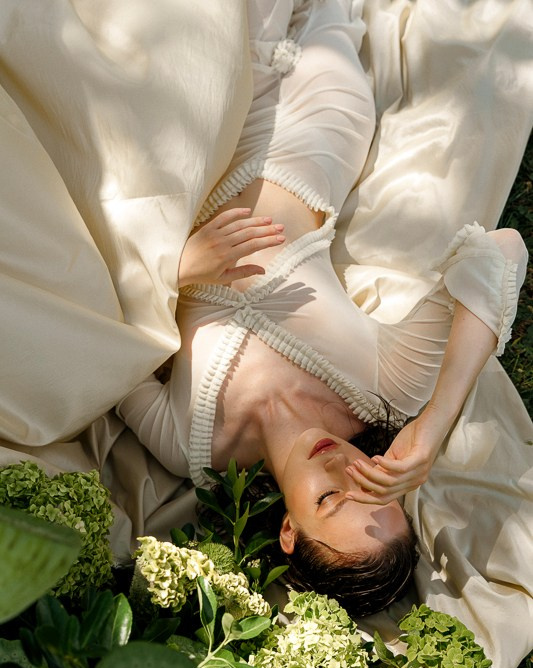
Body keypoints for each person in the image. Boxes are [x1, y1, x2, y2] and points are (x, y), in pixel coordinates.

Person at [116, 0, 528, 617]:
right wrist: (433, 424)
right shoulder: (387, 391)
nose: (340, 470)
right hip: (305, 125)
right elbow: (501, 252)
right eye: (368, 486)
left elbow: (109, 340)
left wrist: (175, 270)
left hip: (177, 161)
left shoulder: (188, 446)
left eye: (329, 502)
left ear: (289, 530)